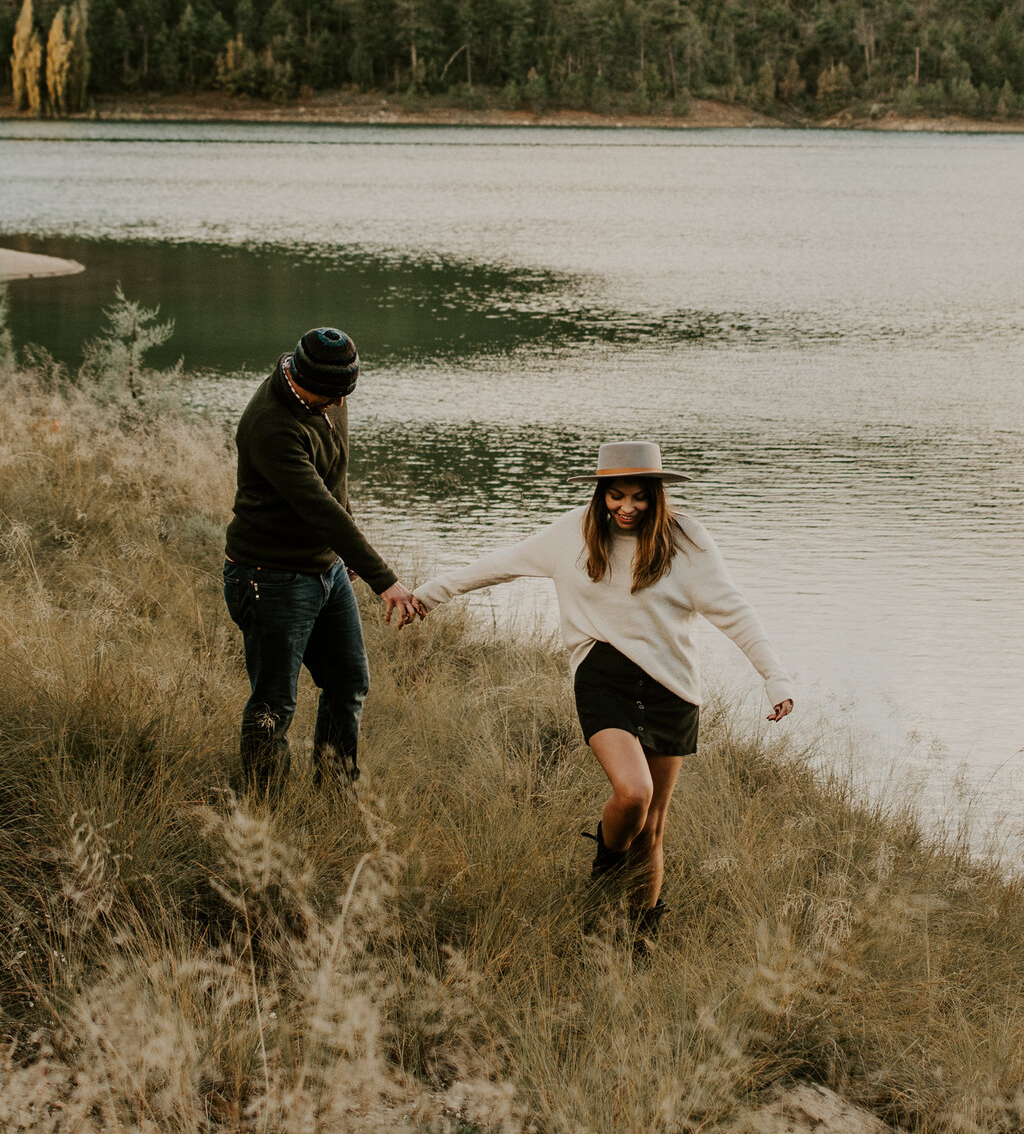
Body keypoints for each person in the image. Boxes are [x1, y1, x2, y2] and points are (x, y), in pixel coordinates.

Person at [413, 441, 794, 936]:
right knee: (633, 794)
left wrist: (775, 676)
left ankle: (639, 936)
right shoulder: (572, 532)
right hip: (603, 675)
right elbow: (500, 564)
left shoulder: (687, 541)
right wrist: (428, 594)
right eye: (616, 496)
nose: (627, 508)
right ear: (601, 494)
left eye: (639, 497)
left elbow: (734, 610)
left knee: (652, 829)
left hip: (671, 687)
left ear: (656, 496)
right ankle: (604, 869)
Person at [224, 326, 421, 792]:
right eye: (330, 396)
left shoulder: (327, 389)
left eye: (343, 394)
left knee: (348, 682)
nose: (337, 404)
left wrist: (345, 556)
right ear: (298, 376)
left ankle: (335, 793)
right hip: (270, 576)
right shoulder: (271, 425)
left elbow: (335, 478)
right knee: (275, 703)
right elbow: (318, 507)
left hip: (324, 568)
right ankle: (261, 814)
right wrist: (385, 580)